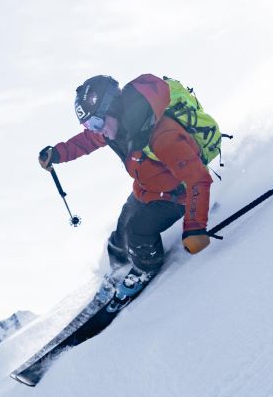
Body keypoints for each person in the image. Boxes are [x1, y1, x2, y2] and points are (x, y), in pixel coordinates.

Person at [38, 74, 213, 296]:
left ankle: (145, 268)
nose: (95, 129)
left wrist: (195, 228)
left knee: (138, 231)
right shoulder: (114, 129)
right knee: (121, 232)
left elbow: (197, 178)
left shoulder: (162, 135)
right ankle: (118, 269)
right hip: (147, 190)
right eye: (88, 124)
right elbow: (87, 141)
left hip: (176, 196)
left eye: (96, 122)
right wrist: (58, 153)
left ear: (112, 109)